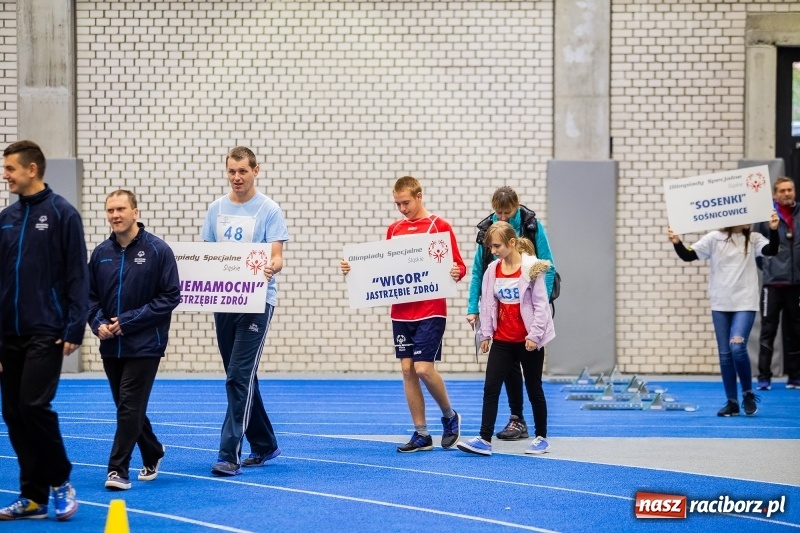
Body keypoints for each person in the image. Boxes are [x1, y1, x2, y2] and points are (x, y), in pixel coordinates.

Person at [340, 176, 466, 452]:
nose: (402, 208)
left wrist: (456, 271)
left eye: (406, 202)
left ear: (419, 196)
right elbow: (383, 268)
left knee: (423, 368)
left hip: (431, 309)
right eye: (397, 203)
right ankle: (421, 433)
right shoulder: (394, 230)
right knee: (407, 369)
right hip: (401, 311)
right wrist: (355, 271)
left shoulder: (438, 226)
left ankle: (449, 415)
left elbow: (458, 265)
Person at [0, 140, 87, 521]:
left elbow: (77, 276)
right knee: (14, 413)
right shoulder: (5, 218)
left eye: (10, 169)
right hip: (8, 334)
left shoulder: (63, 214)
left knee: (34, 406)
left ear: (31, 169)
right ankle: (32, 497)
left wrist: (74, 326)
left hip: (47, 330)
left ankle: (61, 482)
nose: (6, 176)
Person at [201, 146, 289, 476]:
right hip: (224, 300)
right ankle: (265, 444)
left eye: (242, 171)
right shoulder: (216, 209)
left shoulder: (268, 209)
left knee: (238, 376)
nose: (237, 177)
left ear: (256, 171)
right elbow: (207, 253)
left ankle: (229, 454)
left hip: (257, 301)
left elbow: (277, 256)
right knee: (241, 375)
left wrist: (271, 267)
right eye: (232, 172)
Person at [88, 190, 180, 490]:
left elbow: (170, 296)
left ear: (135, 212)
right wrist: (98, 323)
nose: (115, 215)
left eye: (121, 209)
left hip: (145, 344)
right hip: (110, 345)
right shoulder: (101, 253)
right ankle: (152, 450)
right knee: (127, 407)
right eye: (110, 210)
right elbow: (89, 298)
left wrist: (126, 322)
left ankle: (118, 470)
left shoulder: (157, 250)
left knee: (129, 405)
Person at [457, 221, 555, 456]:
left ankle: (541, 436)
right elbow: (489, 304)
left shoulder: (532, 268)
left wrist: (534, 335)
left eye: (497, 246)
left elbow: (541, 305)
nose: (493, 251)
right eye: (491, 247)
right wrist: (485, 334)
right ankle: (484, 438)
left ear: (512, 243)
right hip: (503, 340)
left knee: (534, 388)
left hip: (527, 341)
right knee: (490, 388)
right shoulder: (493, 270)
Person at [668, 212, 779, 417]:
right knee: (725, 354)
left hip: (744, 302)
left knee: (737, 347)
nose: (749, 219)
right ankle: (732, 402)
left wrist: (773, 230)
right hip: (721, 304)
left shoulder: (754, 239)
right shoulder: (713, 238)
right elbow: (688, 255)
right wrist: (677, 242)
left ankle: (747, 394)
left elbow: (771, 250)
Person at [753, 177, 800, 390]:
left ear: (795, 192)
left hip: (796, 283)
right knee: (767, 331)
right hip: (772, 285)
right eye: (782, 190)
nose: (787, 194)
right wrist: (769, 269)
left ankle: (795, 377)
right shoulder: (765, 218)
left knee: (796, 331)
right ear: (774, 195)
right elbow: (757, 251)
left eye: (790, 190)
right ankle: (764, 378)